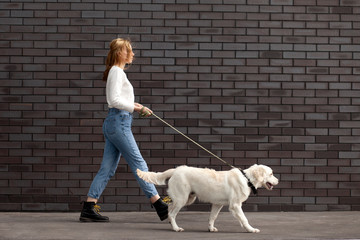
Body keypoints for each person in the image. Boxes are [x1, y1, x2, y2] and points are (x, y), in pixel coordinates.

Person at [79, 38, 168, 222]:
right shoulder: (117, 72)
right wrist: (137, 108)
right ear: (121, 53)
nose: (132, 54)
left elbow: (119, 100)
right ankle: (159, 204)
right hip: (118, 123)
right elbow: (113, 101)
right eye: (129, 51)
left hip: (116, 122)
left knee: (107, 169)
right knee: (139, 164)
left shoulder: (116, 72)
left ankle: (88, 207)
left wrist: (137, 105)